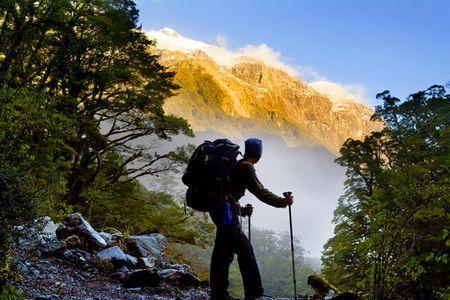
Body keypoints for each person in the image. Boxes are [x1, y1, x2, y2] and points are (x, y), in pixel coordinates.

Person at [209, 138, 294, 300]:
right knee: (240, 251)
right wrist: (282, 202)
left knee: (224, 251)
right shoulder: (246, 167)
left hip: (220, 210)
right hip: (226, 212)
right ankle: (253, 293)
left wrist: (241, 211)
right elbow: (260, 191)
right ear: (259, 154)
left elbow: (227, 194)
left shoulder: (236, 164)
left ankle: (220, 293)